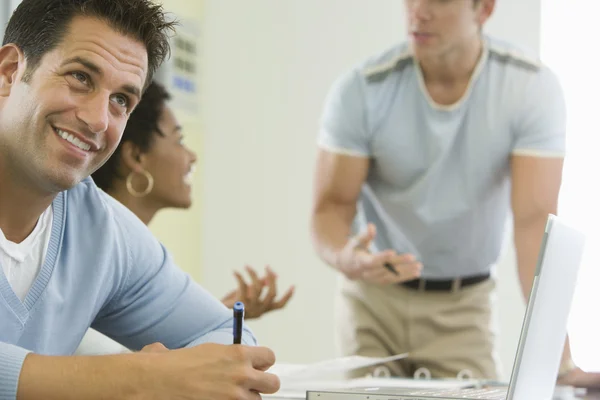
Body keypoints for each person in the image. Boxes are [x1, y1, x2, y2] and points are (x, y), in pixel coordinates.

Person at [310, 0, 600, 388]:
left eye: (439, 0)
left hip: (463, 306)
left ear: (484, 9)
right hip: (372, 302)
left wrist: (561, 363)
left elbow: (534, 227)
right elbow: (330, 208)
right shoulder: (362, 89)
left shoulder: (528, 88)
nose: (418, 12)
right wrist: (345, 257)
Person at [0, 0, 279, 399]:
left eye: (121, 101)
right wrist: (139, 377)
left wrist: (182, 374)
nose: (98, 119)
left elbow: (225, 337)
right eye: (80, 76)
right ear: (10, 72)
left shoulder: (102, 231)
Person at [76, 80, 295, 356]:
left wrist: (211, 320)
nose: (191, 156)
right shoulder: (92, 248)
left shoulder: (137, 257)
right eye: (179, 140)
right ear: (136, 155)